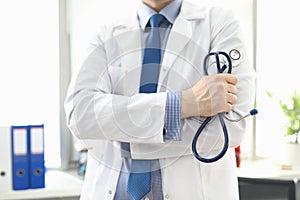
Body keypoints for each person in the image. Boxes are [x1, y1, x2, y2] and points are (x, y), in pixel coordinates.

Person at [64, 0, 256, 199]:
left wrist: (123, 133)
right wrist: (182, 104)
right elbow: (80, 115)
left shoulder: (220, 24)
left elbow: (232, 127)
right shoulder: (106, 32)